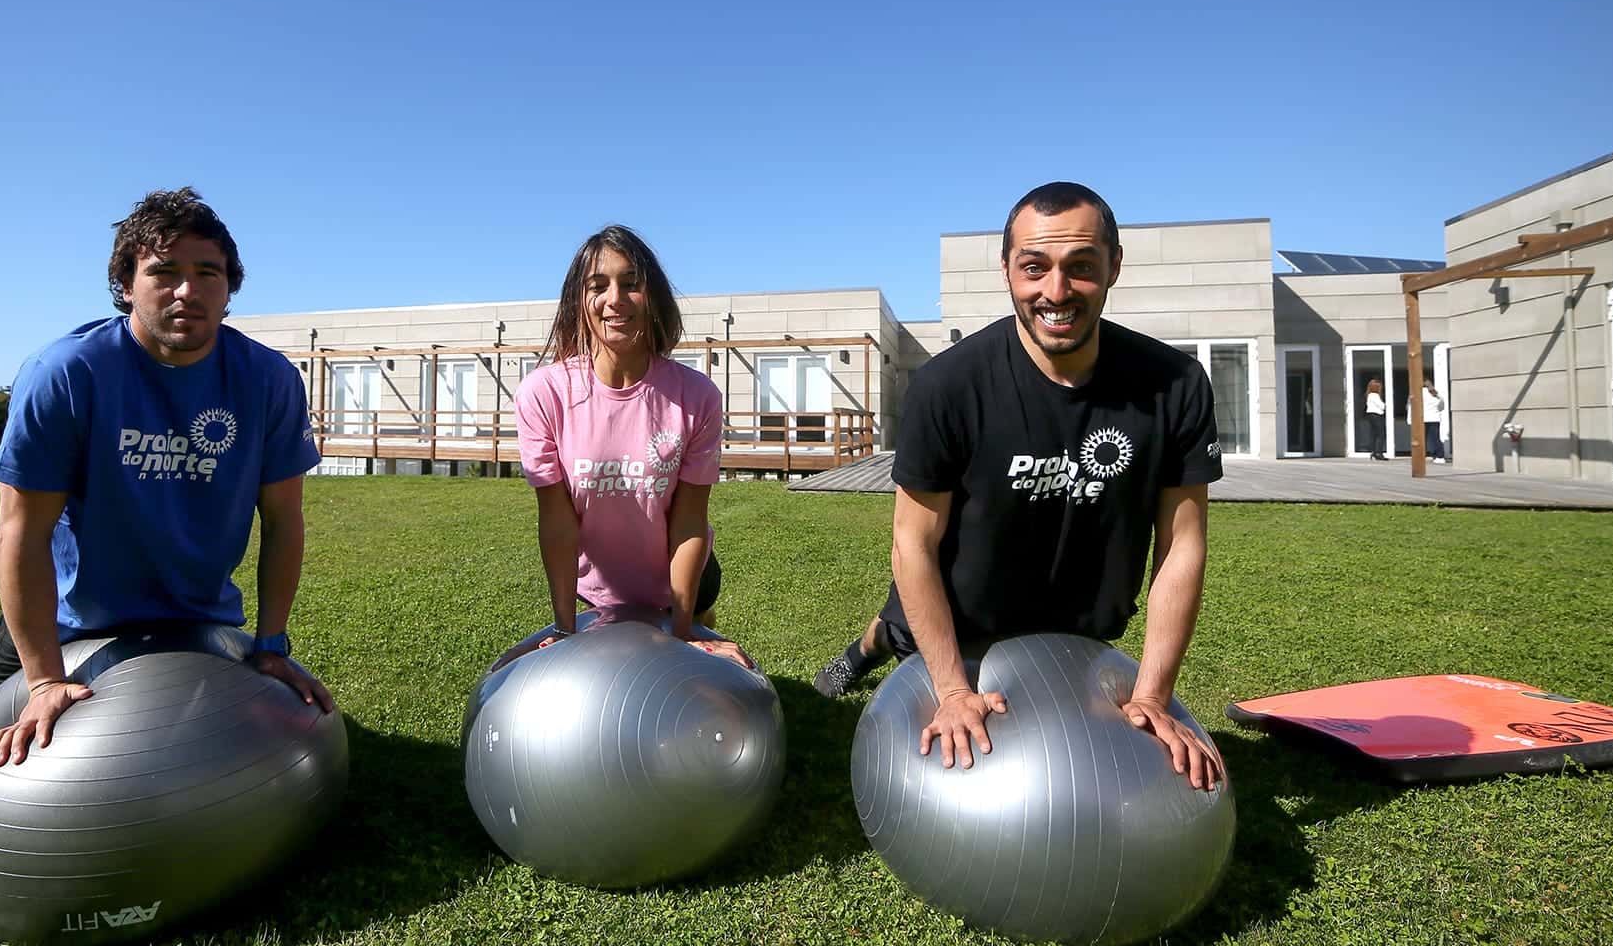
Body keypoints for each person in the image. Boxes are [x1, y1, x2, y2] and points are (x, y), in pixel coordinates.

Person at [0, 188, 333, 766]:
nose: (187, 290)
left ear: (229, 289)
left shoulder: (268, 380)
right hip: (69, 617)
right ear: (125, 284)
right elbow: (21, 533)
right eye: (164, 272)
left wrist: (272, 644)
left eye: (208, 273)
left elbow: (283, 519)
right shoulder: (66, 373)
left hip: (196, 615)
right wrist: (45, 681)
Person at [812, 182, 1225, 790]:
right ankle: (865, 646)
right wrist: (953, 689)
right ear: (1006, 269)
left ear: (1114, 265)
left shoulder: (1176, 385)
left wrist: (1153, 696)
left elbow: (1182, 546)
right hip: (965, 614)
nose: (1056, 292)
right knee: (899, 626)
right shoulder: (946, 387)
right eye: (1035, 267)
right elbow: (913, 545)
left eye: (1081, 266)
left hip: (1078, 628)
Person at [507, 225, 753, 670]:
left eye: (631, 283)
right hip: (600, 589)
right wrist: (564, 629)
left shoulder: (697, 397)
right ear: (579, 301)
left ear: (652, 296)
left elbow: (689, 521)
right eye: (598, 286)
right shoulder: (543, 395)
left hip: (685, 583)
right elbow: (558, 522)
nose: (614, 299)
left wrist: (684, 633)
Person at [1364, 378, 1388, 460]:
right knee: (1381, 434)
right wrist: (1385, 405)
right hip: (1376, 415)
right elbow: (1382, 406)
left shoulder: (1369, 395)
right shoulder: (1375, 395)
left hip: (1371, 415)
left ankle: (1374, 452)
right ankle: (1378, 453)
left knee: (1374, 434)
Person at [1423, 381, 1446, 462]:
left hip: (1423, 418)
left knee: (1422, 439)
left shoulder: (1420, 393)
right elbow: (1442, 407)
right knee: (1435, 438)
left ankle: (1422, 455)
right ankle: (1439, 456)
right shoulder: (1436, 394)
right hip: (1435, 418)